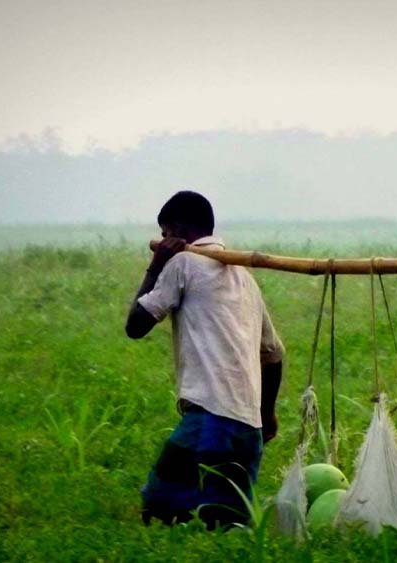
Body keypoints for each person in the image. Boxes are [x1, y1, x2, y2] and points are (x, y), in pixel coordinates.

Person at [125, 190, 285, 528]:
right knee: (228, 525)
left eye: (166, 233)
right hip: (248, 430)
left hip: (210, 420)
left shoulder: (183, 263)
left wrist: (155, 267)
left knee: (160, 510)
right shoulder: (246, 278)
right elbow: (273, 355)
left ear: (179, 231)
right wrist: (266, 415)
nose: (163, 241)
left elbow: (135, 325)